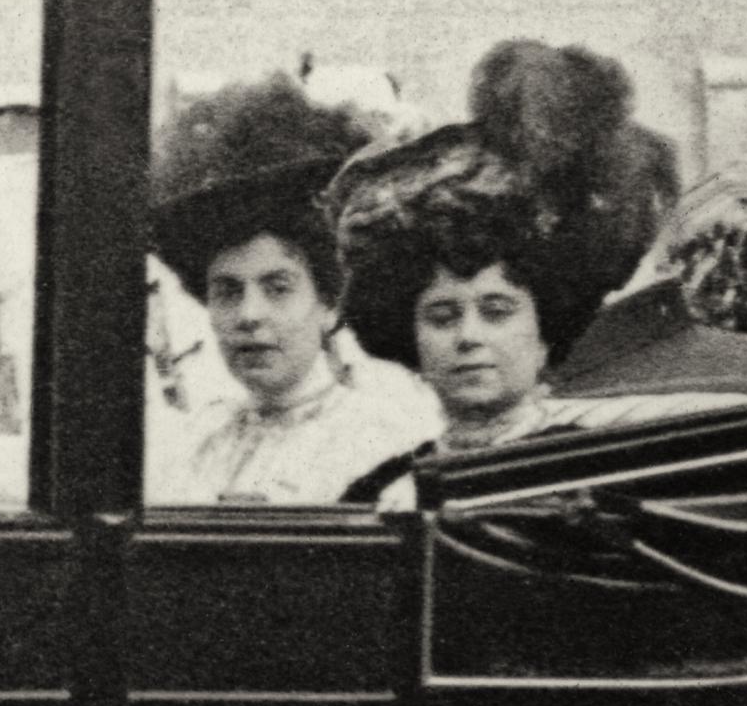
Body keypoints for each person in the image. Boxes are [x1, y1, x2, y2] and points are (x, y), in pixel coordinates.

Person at [326, 42, 684, 472]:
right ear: (409, 340)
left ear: (544, 333)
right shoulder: (378, 491)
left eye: (496, 311)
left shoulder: (598, 467)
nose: (468, 336)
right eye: (441, 316)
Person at [146, 72, 437, 504]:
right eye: (227, 291)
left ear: (327, 302)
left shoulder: (383, 446)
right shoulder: (195, 445)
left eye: (278, 288)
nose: (249, 315)